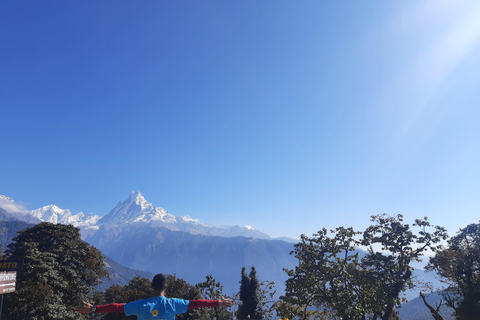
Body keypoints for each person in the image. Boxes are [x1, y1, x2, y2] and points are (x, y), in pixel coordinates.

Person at [76, 273, 235, 320]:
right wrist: (217, 303)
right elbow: (196, 303)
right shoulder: (173, 304)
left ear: (151, 286)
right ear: (166, 287)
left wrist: (94, 309)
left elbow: (116, 307)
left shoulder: (140, 305)